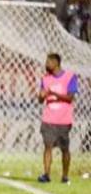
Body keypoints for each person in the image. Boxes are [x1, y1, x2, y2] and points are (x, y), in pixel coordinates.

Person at [38, 52, 77, 184]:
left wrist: (53, 93)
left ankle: (65, 176)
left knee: (64, 149)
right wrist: (41, 96)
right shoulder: (45, 79)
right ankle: (46, 174)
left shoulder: (70, 77)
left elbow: (70, 97)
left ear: (56, 63)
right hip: (48, 119)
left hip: (64, 119)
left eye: (48, 62)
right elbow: (40, 99)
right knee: (47, 146)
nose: (46, 64)